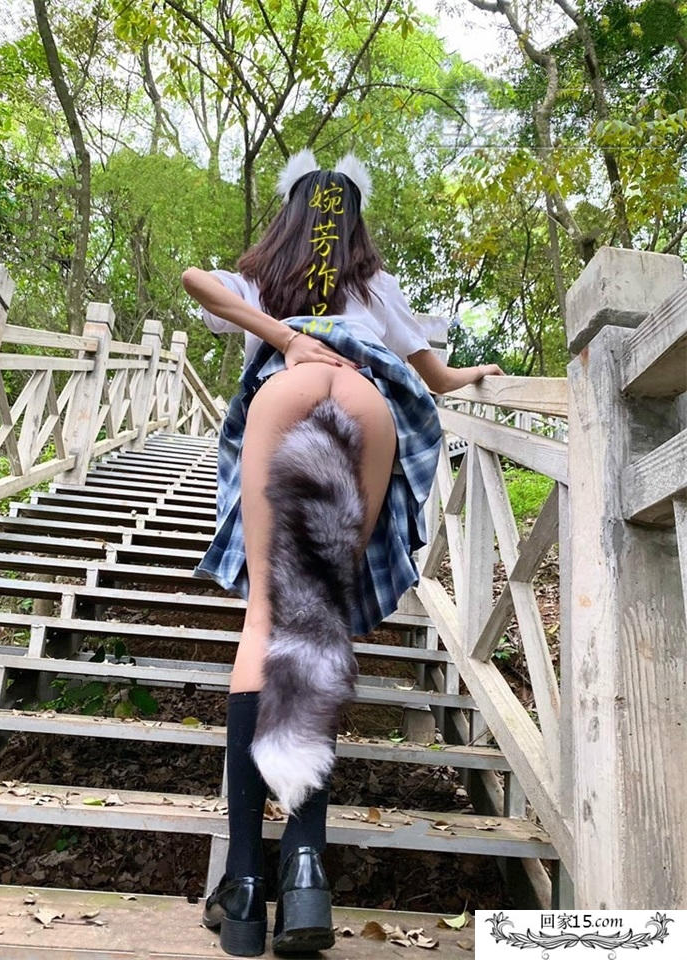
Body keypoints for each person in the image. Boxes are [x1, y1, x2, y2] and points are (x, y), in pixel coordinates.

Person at [181, 149, 503, 957]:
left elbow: (194, 281)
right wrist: (476, 372)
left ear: (289, 213)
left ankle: (245, 882)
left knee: (267, 617)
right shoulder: (375, 285)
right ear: (356, 221)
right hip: (367, 398)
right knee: (317, 623)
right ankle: (307, 871)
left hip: (283, 392)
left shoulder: (264, 275)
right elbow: (436, 377)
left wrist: (285, 339)